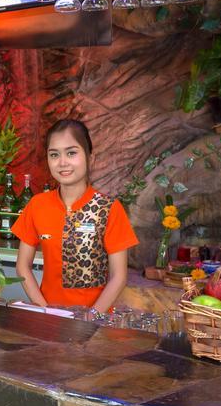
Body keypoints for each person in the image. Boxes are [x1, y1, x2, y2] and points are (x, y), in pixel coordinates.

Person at [12, 119, 138, 310]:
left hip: (96, 321)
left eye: (71, 153)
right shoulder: (37, 205)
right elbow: (22, 266)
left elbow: (118, 277)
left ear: (90, 158)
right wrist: (44, 310)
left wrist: (91, 318)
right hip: (49, 319)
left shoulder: (108, 208)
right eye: (54, 155)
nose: (62, 163)